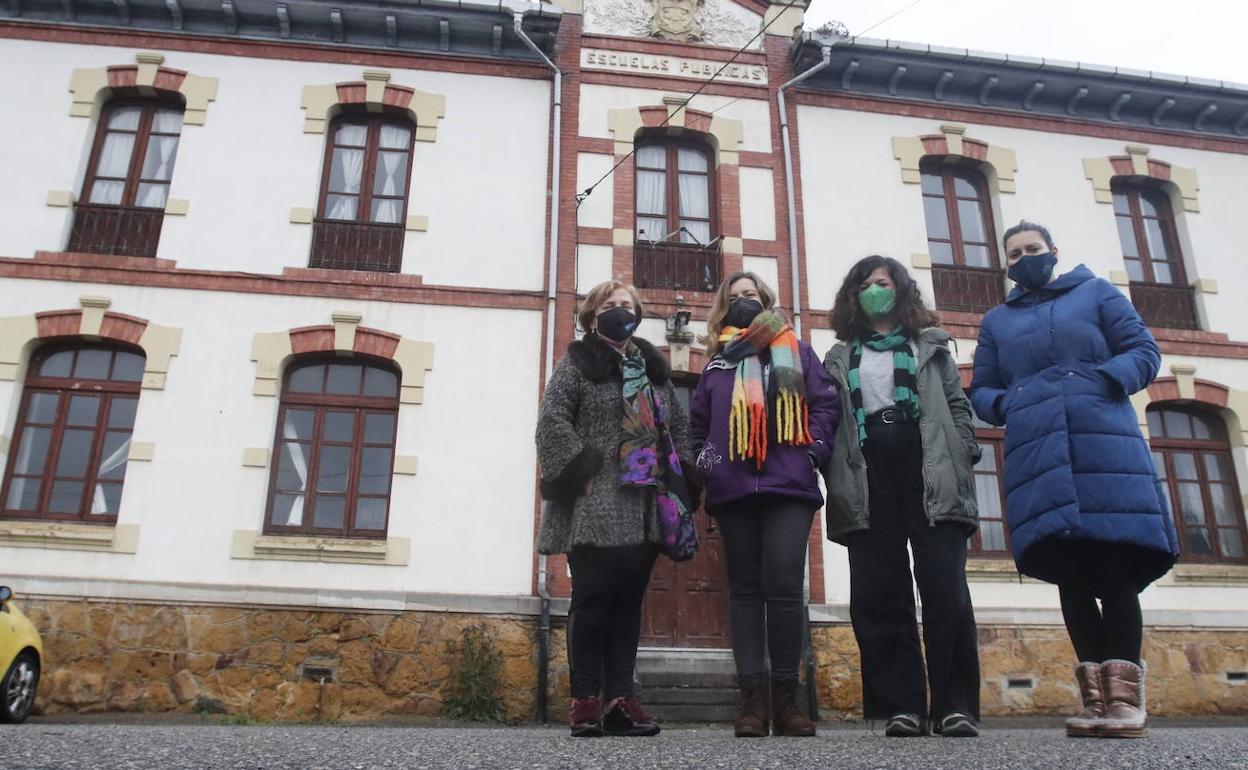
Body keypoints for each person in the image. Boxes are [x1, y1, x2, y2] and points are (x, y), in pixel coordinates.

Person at [970, 221, 1179, 739]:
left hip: (1104, 442)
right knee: (1071, 576)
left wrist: (1104, 379)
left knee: (1115, 567)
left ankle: (1126, 703)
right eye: (1014, 253)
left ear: (1054, 251)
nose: (1025, 258)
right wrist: (1011, 403)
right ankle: (1095, 701)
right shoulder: (997, 321)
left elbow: (1143, 351)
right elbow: (983, 389)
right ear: (1007, 264)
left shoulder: (1097, 292)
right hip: (1037, 451)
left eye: (1033, 249)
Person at [821, 255, 982, 738]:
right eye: (866, 284)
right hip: (869, 474)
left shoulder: (930, 346)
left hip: (929, 465)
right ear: (854, 295)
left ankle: (955, 706)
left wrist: (964, 452)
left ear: (901, 291)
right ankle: (903, 706)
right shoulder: (840, 356)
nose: (875, 290)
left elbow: (957, 405)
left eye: (884, 282)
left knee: (944, 586)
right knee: (878, 591)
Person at [535, 280, 699, 737]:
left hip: (645, 502)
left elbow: (679, 427)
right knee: (591, 601)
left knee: (628, 606)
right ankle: (585, 701)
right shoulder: (577, 364)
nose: (619, 311)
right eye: (610, 305)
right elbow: (551, 419)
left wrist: (684, 477)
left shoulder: (652, 369)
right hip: (594, 502)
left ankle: (621, 703)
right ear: (591, 316)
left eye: (627, 305)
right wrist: (578, 470)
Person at [689, 271, 840, 738]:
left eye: (750, 296)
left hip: (788, 486)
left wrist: (811, 450)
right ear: (723, 308)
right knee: (746, 591)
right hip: (733, 490)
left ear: (766, 300)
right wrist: (710, 465)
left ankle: (787, 700)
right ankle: (752, 701)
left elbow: (826, 404)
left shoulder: (797, 351)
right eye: (734, 298)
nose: (743, 303)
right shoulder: (717, 364)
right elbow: (697, 427)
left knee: (783, 584)